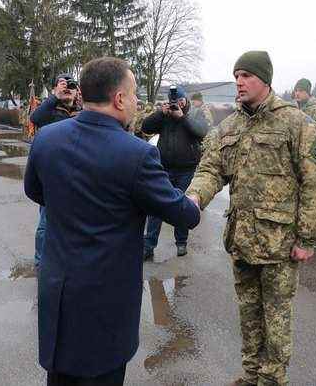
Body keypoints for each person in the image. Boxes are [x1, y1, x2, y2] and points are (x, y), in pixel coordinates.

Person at [24, 56, 200, 385]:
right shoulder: (137, 154)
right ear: (119, 98)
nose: (136, 103)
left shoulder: (46, 139)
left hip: (58, 290)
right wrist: (195, 198)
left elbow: (35, 192)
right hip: (104, 303)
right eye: (133, 95)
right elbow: (183, 215)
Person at [186, 51, 316, 386]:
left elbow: (315, 182)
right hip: (243, 239)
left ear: (266, 80)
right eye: (236, 75)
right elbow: (210, 170)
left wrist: (307, 238)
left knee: (276, 316)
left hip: (280, 244)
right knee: (249, 313)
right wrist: (193, 198)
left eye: (246, 75)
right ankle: (252, 374)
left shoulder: (296, 124)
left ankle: (273, 379)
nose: (239, 82)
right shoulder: (230, 126)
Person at [141, 85, 211, 259]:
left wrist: (182, 117)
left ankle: (181, 243)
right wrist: (160, 113)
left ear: (184, 100)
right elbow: (146, 127)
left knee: (182, 206)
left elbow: (201, 132)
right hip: (163, 167)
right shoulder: (164, 116)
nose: (176, 105)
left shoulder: (194, 113)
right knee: (155, 207)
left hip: (186, 169)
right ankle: (148, 246)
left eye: (179, 101)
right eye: (174, 102)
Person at [29, 73, 80, 269]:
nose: (68, 89)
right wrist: (56, 97)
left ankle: (69, 258)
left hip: (77, 175)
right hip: (53, 175)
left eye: (71, 86)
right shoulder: (50, 108)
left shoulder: (82, 111)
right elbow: (35, 118)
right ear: (54, 89)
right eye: (62, 85)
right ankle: (41, 261)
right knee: (46, 222)